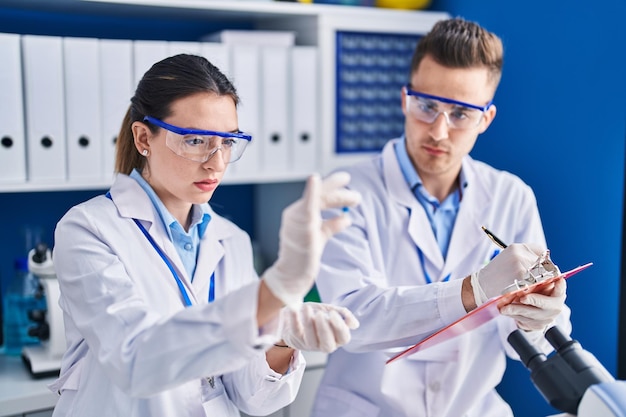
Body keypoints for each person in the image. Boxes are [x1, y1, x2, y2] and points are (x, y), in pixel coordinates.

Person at [49, 54, 361, 417]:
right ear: (143, 137)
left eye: (227, 141)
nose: (216, 162)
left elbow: (252, 398)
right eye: (195, 140)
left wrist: (280, 337)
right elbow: (134, 359)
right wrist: (271, 295)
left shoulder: (231, 240)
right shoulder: (88, 229)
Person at [311, 17, 570, 417]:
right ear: (404, 99)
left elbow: (518, 340)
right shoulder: (344, 192)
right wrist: (474, 289)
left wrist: (538, 319)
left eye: (461, 113)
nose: (438, 131)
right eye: (426, 106)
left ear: (486, 119)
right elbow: (353, 320)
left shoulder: (511, 196)